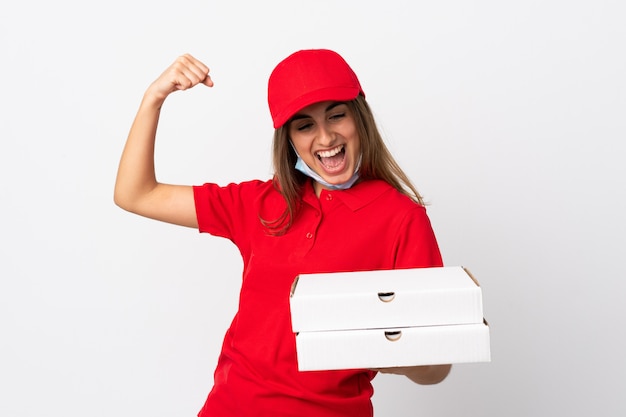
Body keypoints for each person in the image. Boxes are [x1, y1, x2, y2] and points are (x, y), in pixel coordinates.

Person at [114, 49, 451, 417]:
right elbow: (136, 194)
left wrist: (374, 346)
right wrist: (154, 98)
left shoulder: (401, 218)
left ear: (360, 118)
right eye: (305, 125)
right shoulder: (259, 203)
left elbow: (436, 367)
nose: (325, 137)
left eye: (337, 115)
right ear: (288, 138)